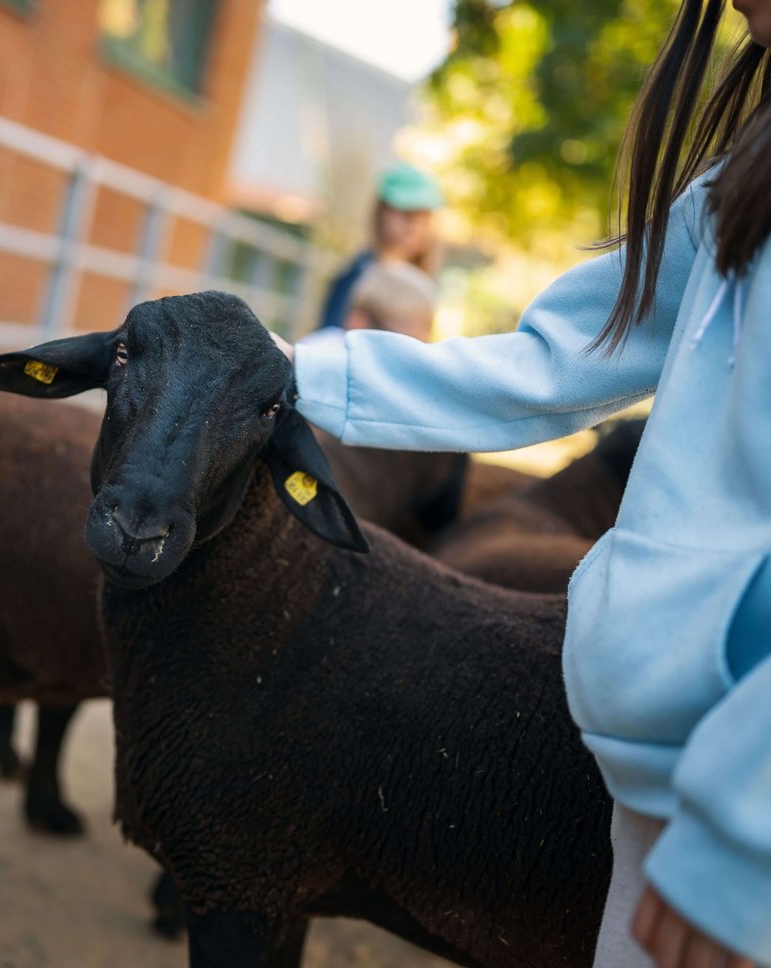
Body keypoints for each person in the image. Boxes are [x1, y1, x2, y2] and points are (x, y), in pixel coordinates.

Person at [272, 0, 771, 964]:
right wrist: (298, 369)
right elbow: (557, 360)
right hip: (674, 783)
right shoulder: (740, 177)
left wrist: (743, 825)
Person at [318, 161, 442, 331]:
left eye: (424, 217)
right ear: (382, 212)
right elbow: (330, 337)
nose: (415, 226)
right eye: (406, 214)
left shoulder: (422, 283)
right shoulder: (357, 275)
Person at [301, 260, 438, 350]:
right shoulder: (322, 352)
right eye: (401, 345)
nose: (410, 358)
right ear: (358, 323)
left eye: (421, 348)